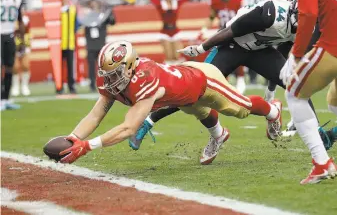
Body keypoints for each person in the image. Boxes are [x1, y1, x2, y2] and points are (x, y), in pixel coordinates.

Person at [128, 0, 326, 152]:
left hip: (260, 51)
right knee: (193, 89)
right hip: (233, 44)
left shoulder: (306, 27)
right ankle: (148, 122)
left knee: (296, 83)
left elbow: (284, 51)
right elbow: (232, 30)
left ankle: (318, 134)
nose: (305, 22)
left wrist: (271, 89)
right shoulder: (271, 14)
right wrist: (201, 48)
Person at [57, 40, 282, 165]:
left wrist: (87, 146)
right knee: (197, 110)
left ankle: (273, 110)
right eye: (108, 74)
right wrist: (74, 138)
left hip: (204, 81)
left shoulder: (145, 80)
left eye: (115, 74)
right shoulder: (113, 78)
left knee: (239, 109)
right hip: (182, 92)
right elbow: (96, 114)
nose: (110, 80)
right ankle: (219, 135)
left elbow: (129, 128)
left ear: (130, 66)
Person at [279, 0, 337, 184]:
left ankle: (321, 162)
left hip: (333, 45)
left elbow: (309, 13)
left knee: (294, 94)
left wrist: (296, 54)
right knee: (333, 104)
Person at [202, 0, 246, 93]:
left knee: (239, 56)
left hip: (237, 32)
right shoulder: (215, 0)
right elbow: (212, 16)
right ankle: (223, 82)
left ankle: (240, 80)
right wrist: (203, 29)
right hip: (222, 33)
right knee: (220, 56)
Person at [145, 0, 192, 65]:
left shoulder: (176, 3)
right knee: (169, 57)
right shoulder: (160, 4)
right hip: (165, 33)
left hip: (175, 32)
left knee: (176, 56)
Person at [84, 0, 116, 92]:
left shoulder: (103, 15)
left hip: (101, 44)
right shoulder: (87, 16)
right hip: (90, 44)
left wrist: (110, 12)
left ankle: (104, 83)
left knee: (103, 66)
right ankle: (92, 84)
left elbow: (112, 22)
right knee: (91, 66)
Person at [1, 0, 24, 111]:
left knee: (9, 67)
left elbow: (20, 19)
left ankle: (5, 98)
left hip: (9, 35)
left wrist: (22, 40)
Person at [241, 0, 269, 85]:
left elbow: (267, 11)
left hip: (260, 30)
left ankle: (268, 79)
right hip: (247, 30)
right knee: (250, 54)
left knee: (265, 55)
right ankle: (252, 78)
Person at [59, 0, 81, 94]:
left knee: (70, 67)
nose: (65, 0)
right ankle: (59, 87)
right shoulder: (57, 10)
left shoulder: (72, 9)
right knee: (59, 67)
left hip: (70, 42)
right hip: (59, 43)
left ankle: (71, 86)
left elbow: (77, 24)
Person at [11, 14, 31, 97]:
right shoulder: (11, 18)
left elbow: (28, 31)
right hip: (14, 44)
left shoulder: (25, 19)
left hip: (24, 44)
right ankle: (15, 86)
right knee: (15, 66)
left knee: (25, 65)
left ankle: (24, 85)